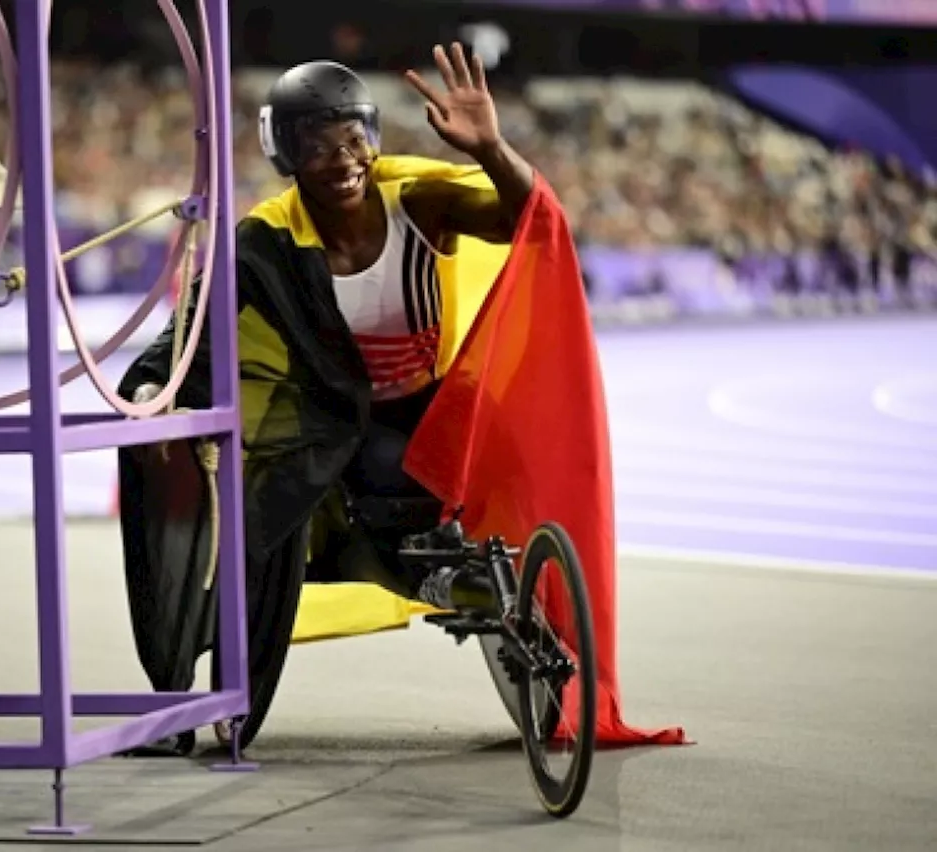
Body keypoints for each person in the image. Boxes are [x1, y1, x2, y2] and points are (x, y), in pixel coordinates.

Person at [116, 45, 686, 756]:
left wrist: (492, 147)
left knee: (501, 466)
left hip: (438, 410)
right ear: (284, 156)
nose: (343, 158)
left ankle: (531, 632)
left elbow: (525, 217)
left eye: (354, 137)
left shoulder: (416, 198)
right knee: (257, 519)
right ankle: (196, 698)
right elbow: (191, 328)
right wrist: (147, 385)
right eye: (316, 146)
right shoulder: (267, 239)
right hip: (335, 428)